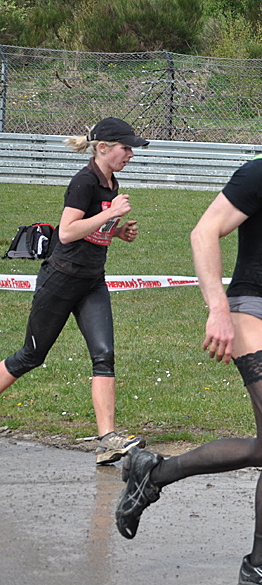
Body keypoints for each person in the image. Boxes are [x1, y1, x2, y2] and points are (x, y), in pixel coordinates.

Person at [114, 75, 262, 585]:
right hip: (247, 309)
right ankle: (261, 562)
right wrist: (217, 310)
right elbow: (203, 231)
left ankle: (152, 472)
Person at [0, 117, 147, 465]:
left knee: (104, 355)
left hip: (92, 281)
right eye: (126, 148)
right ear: (103, 148)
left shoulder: (110, 181)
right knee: (30, 357)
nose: (130, 154)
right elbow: (66, 233)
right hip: (60, 281)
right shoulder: (83, 182)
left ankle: (107, 440)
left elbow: (93, 230)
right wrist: (107, 218)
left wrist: (117, 232)